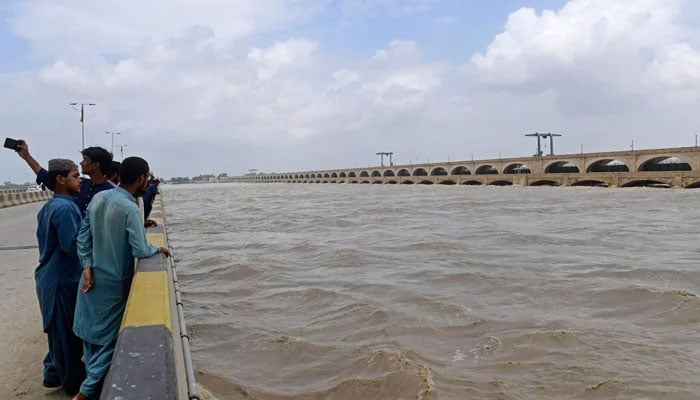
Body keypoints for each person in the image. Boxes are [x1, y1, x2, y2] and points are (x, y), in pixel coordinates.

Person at [72, 156, 171, 400]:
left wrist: (86, 265)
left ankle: (90, 388)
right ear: (141, 179)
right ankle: (83, 394)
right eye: (146, 177)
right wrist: (158, 249)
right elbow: (140, 249)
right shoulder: (129, 208)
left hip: (91, 278)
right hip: (114, 284)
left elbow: (83, 237)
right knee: (110, 340)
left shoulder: (99, 198)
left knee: (92, 338)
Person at [35, 159, 86, 396]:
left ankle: (53, 374)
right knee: (67, 339)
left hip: (50, 278)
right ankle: (73, 386)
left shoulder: (50, 206)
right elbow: (73, 245)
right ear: (61, 179)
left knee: (58, 334)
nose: (80, 180)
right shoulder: (65, 208)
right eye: (76, 176)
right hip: (61, 281)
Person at [16, 140, 114, 214]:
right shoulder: (80, 184)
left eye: (85, 160)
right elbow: (45, 176)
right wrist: (26, 156)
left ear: (95, 165)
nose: (81, 163)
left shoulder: (111, 193)